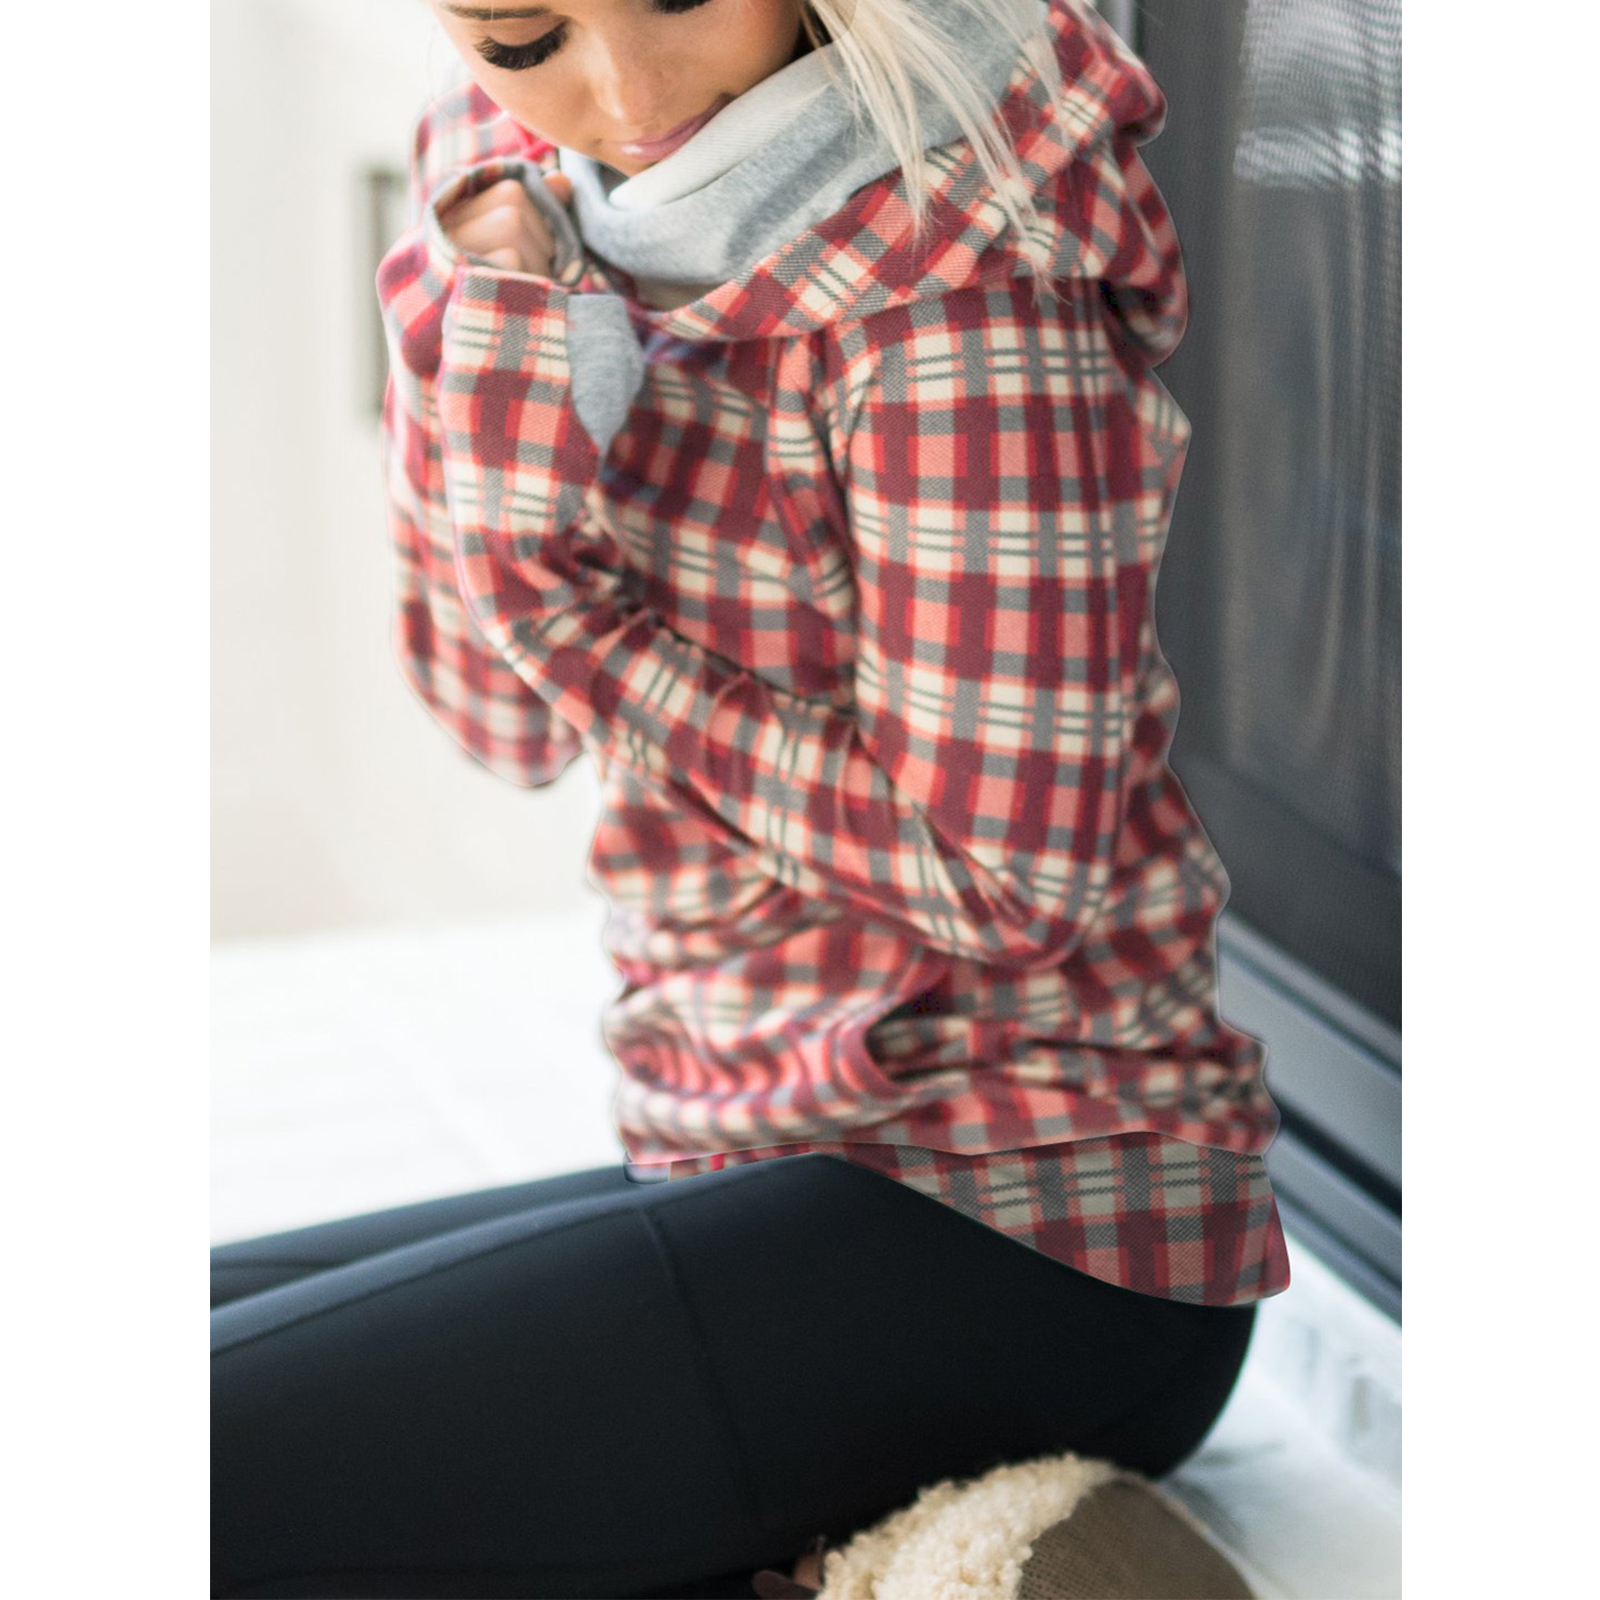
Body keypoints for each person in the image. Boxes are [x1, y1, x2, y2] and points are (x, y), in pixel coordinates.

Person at [211, 2, 1294, 1595]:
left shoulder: (961, 280)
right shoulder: (508, 171)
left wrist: (574, 619)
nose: (631, 95)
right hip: (730, 1153)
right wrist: (498, 364)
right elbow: (497, 721)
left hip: (1045, 1235)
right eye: (526, 35)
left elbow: (1001, 877)